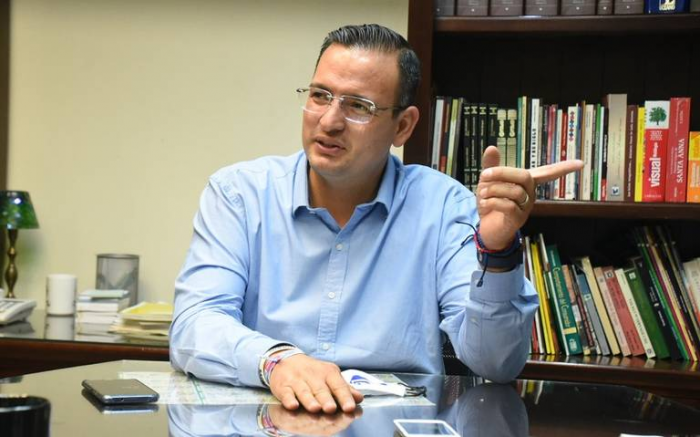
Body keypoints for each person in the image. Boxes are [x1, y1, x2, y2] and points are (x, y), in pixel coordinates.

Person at [170, 23, 582, 415]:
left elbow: (496, 364)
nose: (329, 121)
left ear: (403, 126)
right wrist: (276, 361)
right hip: (269, 420)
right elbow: (194, 324)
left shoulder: (444, 207)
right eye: (320, 96)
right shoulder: (240, 195)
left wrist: (497, 252)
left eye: (358, 106)